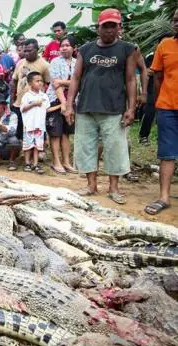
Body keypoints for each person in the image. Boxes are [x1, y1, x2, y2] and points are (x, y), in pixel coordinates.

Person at [65, 8, 137, 205]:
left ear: (119, 27)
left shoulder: (127, 49)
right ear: (99, 28)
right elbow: (76, 78)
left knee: (115, 148)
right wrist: (69, 105)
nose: (109, 30)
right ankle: (91, 185)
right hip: (86, 106)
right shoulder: (86, 49)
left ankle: (114, 188)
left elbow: (131, 80)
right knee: (85, 147)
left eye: (113, 26)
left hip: (114, 108)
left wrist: (131, 108)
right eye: (106, 26)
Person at [145, 10, 178, 215]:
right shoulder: (164, 45)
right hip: (167, 107)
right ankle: (164, 197)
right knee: (167, 153)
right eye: (175, 20)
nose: (176, 24)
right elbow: (157, 76)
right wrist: (159, 101)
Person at [46, 35, 77, 174]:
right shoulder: (55, 62)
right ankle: (56, 162)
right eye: (62, 45)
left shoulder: (77, 63)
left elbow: (80, 82)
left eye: (67, 45)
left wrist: (65, 82)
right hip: (55, 100)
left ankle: (66, 162)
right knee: (55, 133)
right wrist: (64, 104)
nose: (64, 48)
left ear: (74, 48)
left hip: (73, 101)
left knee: (66, 133)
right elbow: (55, 84)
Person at [11, 38, 50, 140]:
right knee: (19, 132)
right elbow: (14, 81)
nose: (26, 53)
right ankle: (23, 152)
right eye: (25, 51)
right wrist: (12, 101)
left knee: (35, 131)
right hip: (19, 104)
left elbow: (49, 84)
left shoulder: (44, 65)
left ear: (37, 50)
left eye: (29, 51)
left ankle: (38, 152)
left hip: (35, 105)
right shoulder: (20, 63)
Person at [20, 72, 50, 174]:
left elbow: (46, 108)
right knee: (28, 145)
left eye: (41, 81)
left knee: (37, 146)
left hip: (39, 126)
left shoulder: (44, 96)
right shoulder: (27, 96)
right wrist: (33, 104)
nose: (40, 83)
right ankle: (27, 163)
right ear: (30, 83)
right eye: (37, 81)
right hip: (29, 125)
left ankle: (36, 164)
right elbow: (23, 109)